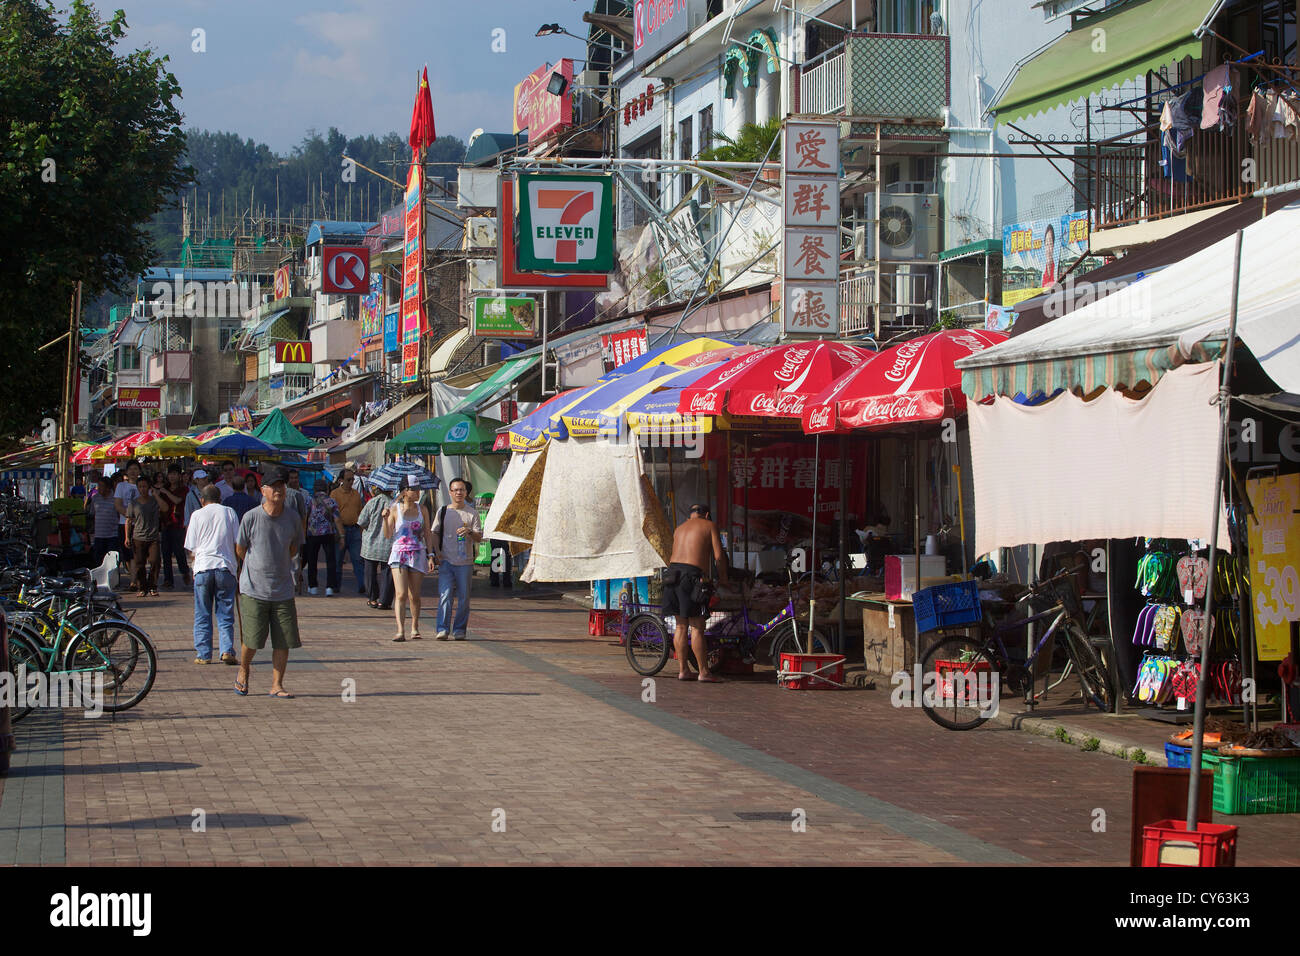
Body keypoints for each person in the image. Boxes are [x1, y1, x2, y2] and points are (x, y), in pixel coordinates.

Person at [234, 466, 304, 699]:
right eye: (274, 486)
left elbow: (294, 547)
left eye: (282, 486)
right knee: (252, 640)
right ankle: (243, 670)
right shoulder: (251, 517)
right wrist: (256, 566)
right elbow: (241, 549)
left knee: (283, 639)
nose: (279, 490)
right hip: (254, 588)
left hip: (283, 587)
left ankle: (277, 684)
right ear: (263, 490)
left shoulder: (293, 517)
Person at [664, 503, 730, 683]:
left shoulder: (679, 528)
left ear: (690, 516)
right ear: (707, 515)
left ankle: (683, 670)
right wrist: (723, 578)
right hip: (690, 577)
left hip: (671, 575)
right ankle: (704, 672)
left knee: (680, 626)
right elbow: (718, 556)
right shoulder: (709, 526)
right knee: (697, 627)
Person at [185, 484, 240, 665]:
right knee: (225, 613)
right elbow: (237, 542)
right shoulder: (229, 512)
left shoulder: (196, 515)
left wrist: (192, 567)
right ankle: (226, 650)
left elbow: (191, 547)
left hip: (203, 567)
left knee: (202, 612)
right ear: (220, 499)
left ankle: (203, 654)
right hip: (225, 567)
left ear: (202, 500)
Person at [431, 477, 482, 641]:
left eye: (462, 490)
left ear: (466, 492)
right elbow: (434, 532)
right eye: (456, 490)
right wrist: (436, 551)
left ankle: (459, 629)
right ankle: (442, 629)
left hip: (465, 563)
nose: (459, 493)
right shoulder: (443, 511)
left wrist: (469, 532)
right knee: (445, 595)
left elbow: (479, 537)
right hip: (446, 560)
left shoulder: (472, 513)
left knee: (464, 599)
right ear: (450, 492)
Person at [384, 476, 434, 641]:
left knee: (415, 595)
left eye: (419, 488)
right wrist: (385, 519)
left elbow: (427, 532)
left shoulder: (423, 509)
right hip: (399, 554)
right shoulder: (394, 509)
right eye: (414, 489)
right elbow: (388, 534)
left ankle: (415, 626)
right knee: (401, 594)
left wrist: (431, 555)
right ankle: (400, 630)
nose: (418, 492)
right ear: (405, 491)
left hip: (418, 553)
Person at [357, 483, 395, 610]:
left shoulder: (372, 502)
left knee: (370, 572)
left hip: (371, 543)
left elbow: (362, 521)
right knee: (387, 572)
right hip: (388, 543)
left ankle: (372, 598)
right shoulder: (394, 504)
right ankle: (384, 601)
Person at [125, 474, 163, 597]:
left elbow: (165, 508)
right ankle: (142, 587)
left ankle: (152, 586)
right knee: (139, 564)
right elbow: (128, 520)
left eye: (145, 486)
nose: (143, 489)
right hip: (138, 537)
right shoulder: (134, 503)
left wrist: (156, 495)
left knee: (155, 561)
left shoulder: (154, 501)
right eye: (140, 487)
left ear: (149, 487)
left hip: (153, 537)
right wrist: (127, 536)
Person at [304, 482, 343, 595]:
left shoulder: (309, 501)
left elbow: (305, 517)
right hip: (328, 533)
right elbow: (337, 519)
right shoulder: (331, 501)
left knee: (312, 560)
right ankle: (329, 587)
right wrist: (342, 536)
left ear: (315, 489)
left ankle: (313, 586)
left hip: (312, 534)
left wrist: (303, 532)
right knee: (330, 561)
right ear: (326, 489)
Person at [156, 465, 190, 590]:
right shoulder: (164, 488)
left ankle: (184, 571)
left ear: (179, 476)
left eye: (175, 474)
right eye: (170, 474)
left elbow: (177, 501)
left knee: (179, 551)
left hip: (178, 524)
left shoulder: (184, 489)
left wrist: (165, 492)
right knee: (165, 553)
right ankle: (168, 580)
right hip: (166, 524)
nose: (172, 476)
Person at [331, 468, 366, 594]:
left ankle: (362, 585)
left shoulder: (356, 494)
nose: (351, 482)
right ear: (341, 480)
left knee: (357, 560)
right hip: (341, 531)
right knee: (338, 559)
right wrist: (340, 534)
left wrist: (362, 530)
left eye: (353, 479)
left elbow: (360, 512)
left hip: (355, 529)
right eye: (348, 479)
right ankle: (336, 585)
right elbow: (333, 515)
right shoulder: (334, 494)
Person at [113, 459, 142, 565]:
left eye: (135, 469)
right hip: (123, 524)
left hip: (141, 525)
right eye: (130, 469)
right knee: (127, 554)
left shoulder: (144, 485)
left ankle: (137, 578)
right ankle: (133, 576)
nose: (133, 471)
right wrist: (129, 516)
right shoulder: (121, 486)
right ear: (126, 471)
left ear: (139, 471)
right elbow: (117, 505)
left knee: (139, 554)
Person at [86, 477, 120, 567]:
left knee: (112, 562)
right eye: (99, 486)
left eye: (101, 486)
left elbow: (119, 515)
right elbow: (92, 513)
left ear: (108, 487)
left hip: (112, 535)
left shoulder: (115, 498)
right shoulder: (95, 498)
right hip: (99, 535)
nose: (99, 488)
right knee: (98, 561)